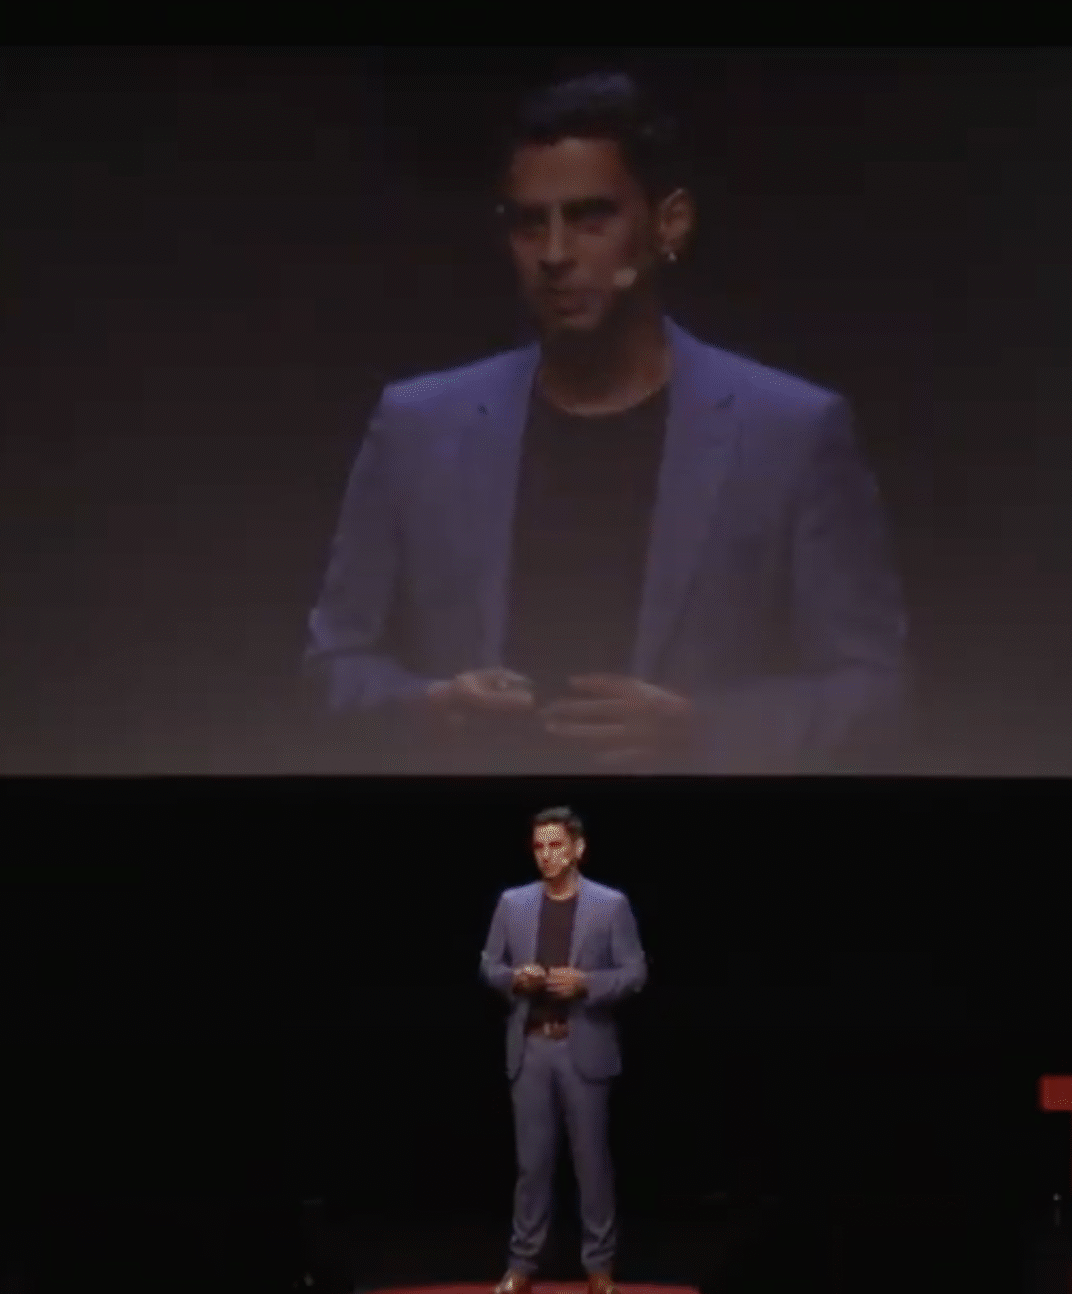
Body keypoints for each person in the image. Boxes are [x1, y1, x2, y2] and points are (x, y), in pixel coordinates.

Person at [303, 71, 909, 773]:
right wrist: (428, 709)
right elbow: (332, 665)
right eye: (531, 222)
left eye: (592, 217)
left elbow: (878, 692)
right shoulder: (416, 425)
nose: (555, 253)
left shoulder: (791, 433)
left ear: (667, 224)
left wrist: (706, 734)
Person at [477, 807, 647, 1294]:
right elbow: (489, 965)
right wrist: (515, 979)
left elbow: (635, 973)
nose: (547, 856)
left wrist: (587, 983)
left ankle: (599, 1266)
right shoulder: (514, 904)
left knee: (591, 1162)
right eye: (539, 847)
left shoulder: (609, 905)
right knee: (532, 1164)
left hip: (583, 1047)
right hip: (531, 1047)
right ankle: (522, 1263)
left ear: (578, 848)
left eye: (555, 846)